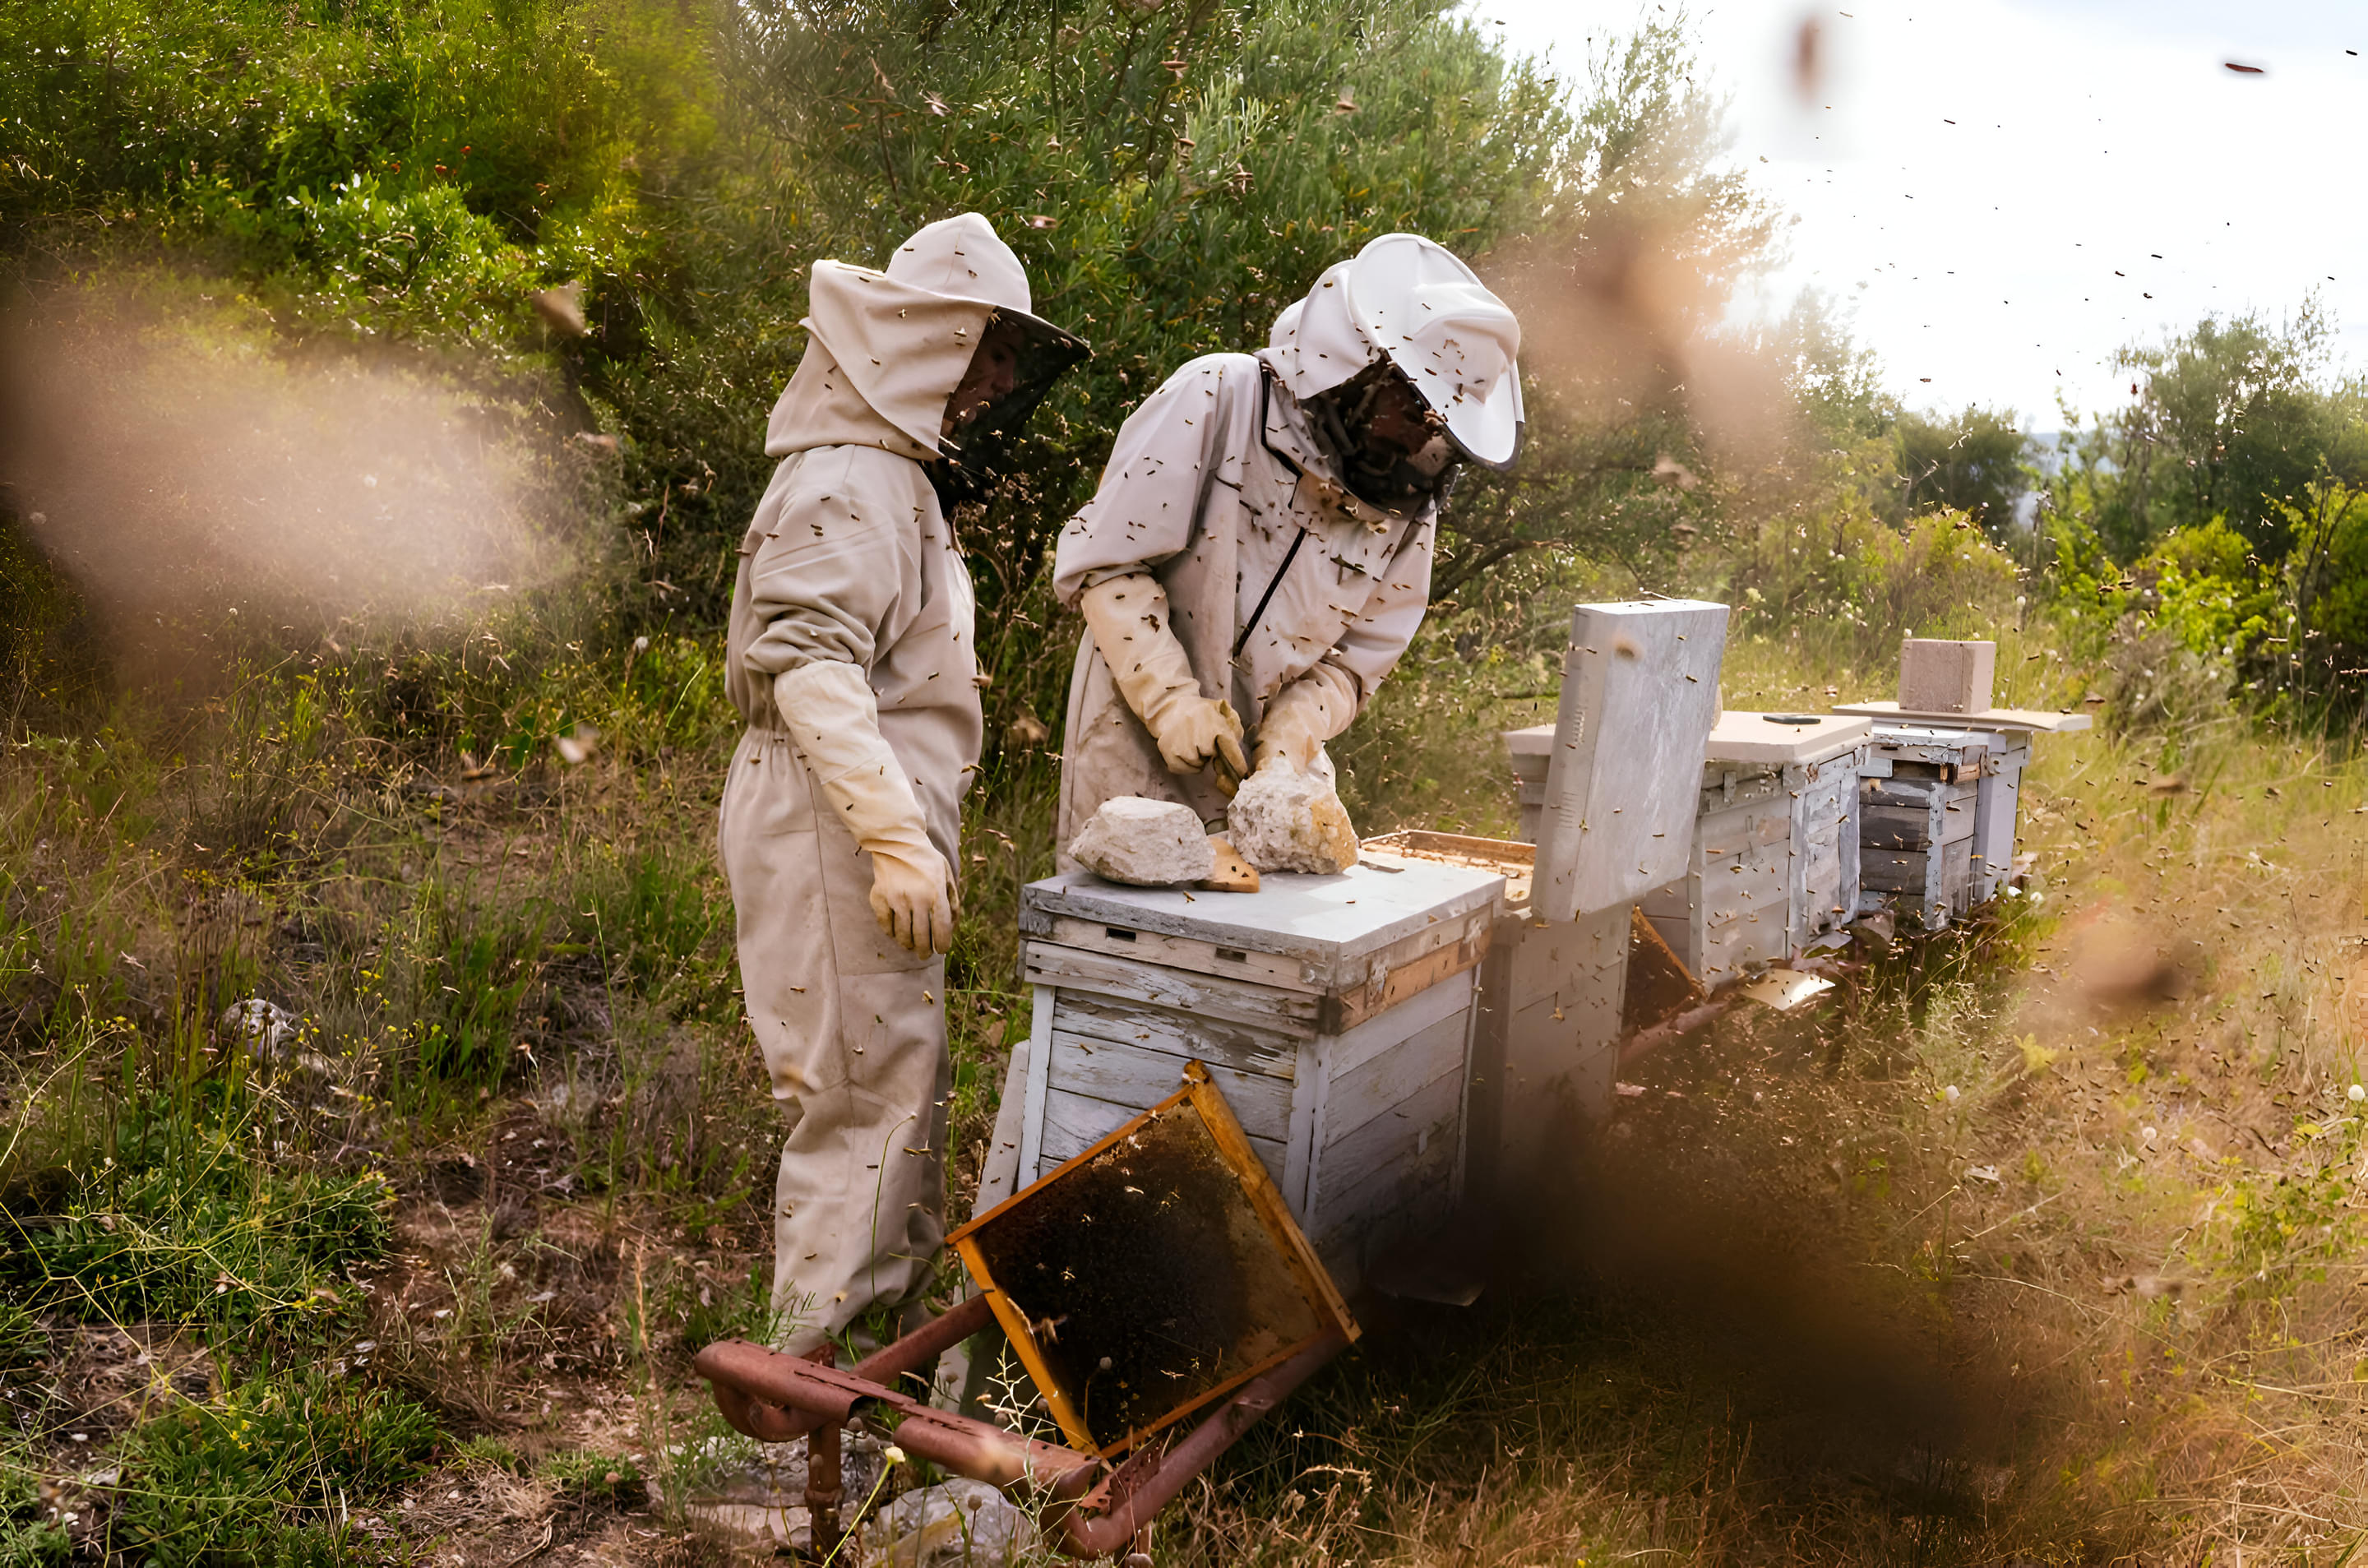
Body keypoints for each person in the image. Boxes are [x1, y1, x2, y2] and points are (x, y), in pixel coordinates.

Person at [721, 212, 1083, 1353]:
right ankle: (798, 1400)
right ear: (929, 338)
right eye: (995, 346)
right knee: (860, 1101)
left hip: (855, 815)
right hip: (832, 818)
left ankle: (871, 1360)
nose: (1005, 378)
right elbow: (809, 664)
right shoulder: (854, 480)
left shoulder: (889, 478)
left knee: (892, 1087)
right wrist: (891, 837)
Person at [1048, 233, 1524, 850]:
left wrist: (1297, 727)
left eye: (1436, 429)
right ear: (1359, 369)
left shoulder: (1409, 503)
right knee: (1123, 931)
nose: (1415, 443)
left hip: (1279, 781)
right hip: (1133, 740)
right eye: (1413, 412)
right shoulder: (1220, 396)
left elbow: (1355, 665)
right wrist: (1171, 702)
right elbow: (1106, 565)